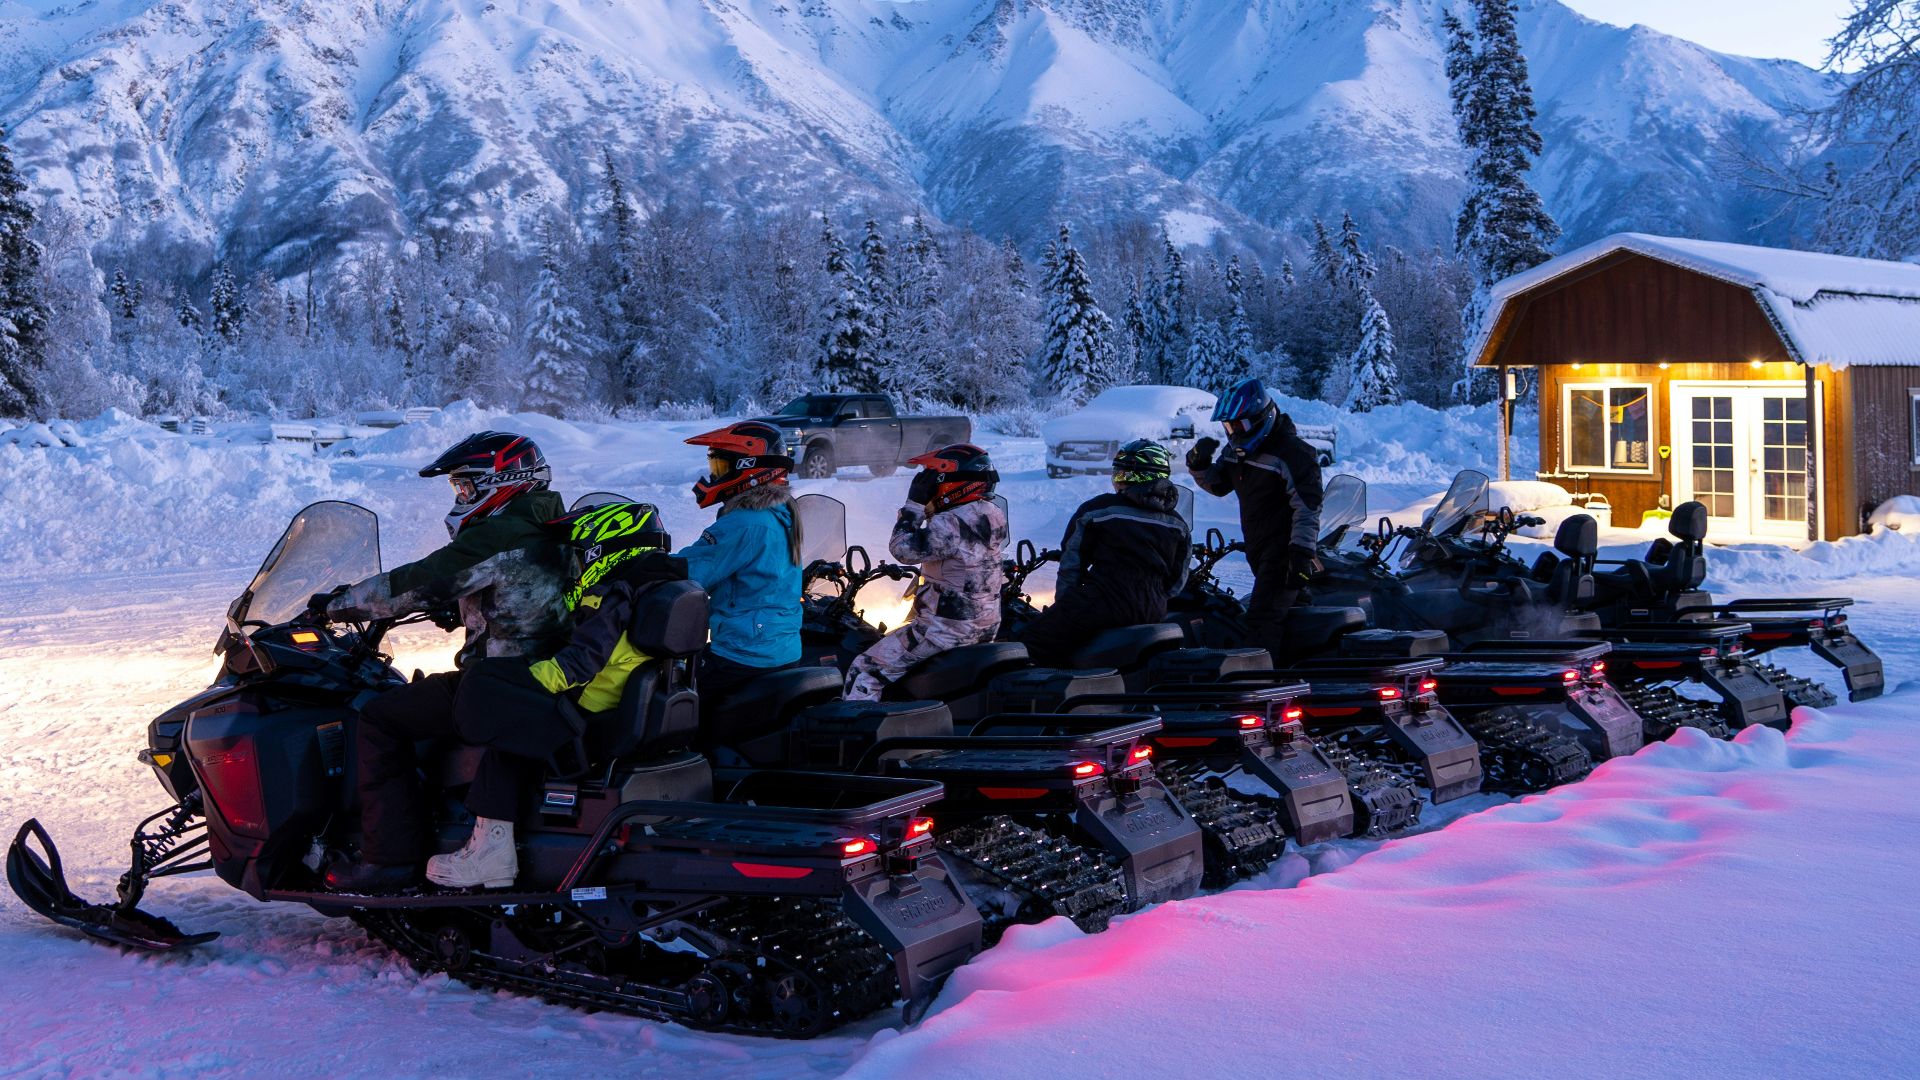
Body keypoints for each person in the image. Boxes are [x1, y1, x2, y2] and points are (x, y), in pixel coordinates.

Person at [318, 431, 571, 893]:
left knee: (379, 717)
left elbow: (417, 581)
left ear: (504, 481)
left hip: (501, 679)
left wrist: (336, 605)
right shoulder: (553, 524)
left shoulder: (501, 532)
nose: (461, 497)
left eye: (466, 487)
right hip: (546, 674)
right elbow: (525, 593)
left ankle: (389, 862)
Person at [647, 421, 803, 720]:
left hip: (745, 652)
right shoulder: (782, 511)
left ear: (748, 468)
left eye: (720, 466)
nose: (714, 475)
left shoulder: (746, 523)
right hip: (778, 646)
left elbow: (690, 571)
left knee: (666, 706)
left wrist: (645, 565)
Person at [845, 444, 1009, 700]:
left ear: (947, 483)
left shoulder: (951, 522)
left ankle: (855, 732)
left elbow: (903, 550)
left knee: (865, 668)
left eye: (932, 481)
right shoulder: (993, 514)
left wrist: (914, 505)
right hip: (984, 624)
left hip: (944, 630)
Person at [1016, 439, 1190, 667]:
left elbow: (1072, 564)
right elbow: (1177, 581)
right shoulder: (1178, 523)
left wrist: (1066, 605)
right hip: (1153, 608)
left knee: (1029, 644)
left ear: (1134, 475)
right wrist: (1153, 594)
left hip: (1103, 603)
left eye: (1121, 473)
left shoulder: (1098, 510)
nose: (1117, 479)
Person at [1187, 376, 1324, 659]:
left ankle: (1257, 689)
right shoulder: (1237, 450)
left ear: (1261, 416)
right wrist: (1198, 464)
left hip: (1284, 551)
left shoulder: (1293, 453)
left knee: (1262, 620)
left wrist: (1301, 551)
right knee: (1293, 614)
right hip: (1259, 548)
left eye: (1239, 424)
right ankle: (1296, 673)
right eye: (1229, 425)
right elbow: (1218, 485)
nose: (1234, 431)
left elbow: (1308, 507)